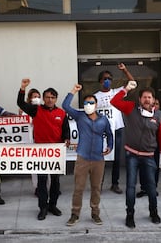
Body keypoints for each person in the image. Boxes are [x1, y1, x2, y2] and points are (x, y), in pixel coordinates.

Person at [110, 82, 161, 229]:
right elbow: (114, 101)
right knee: (130, 187)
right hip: (132, 156)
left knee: (151, 187)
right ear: (140, 99)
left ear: (154, 100)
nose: (147, 99)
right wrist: (126, 89)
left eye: (149, 97)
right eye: (144, 97)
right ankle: (130, 215)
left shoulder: (159, 116)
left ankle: (153, 212)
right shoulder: (131, 109)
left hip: (149, 156)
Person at [17, 79, 70, 220]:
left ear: (56, 99)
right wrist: (23, 88)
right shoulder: (36, 110)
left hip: (56, 152)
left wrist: (67, 139)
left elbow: (66, 130)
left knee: (55, 182)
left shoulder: (62, 113)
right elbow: (21, 104)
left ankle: (52, 205)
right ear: (43, 98)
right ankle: (43, 207)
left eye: (52, 97)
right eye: (47, 97)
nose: (50, 99)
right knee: (41, 181)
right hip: (41, 151)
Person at [62, 84, 113, 226]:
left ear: (96, 105)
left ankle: (95, 214)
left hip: (98, 159)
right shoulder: (79, 116)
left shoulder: (103, 120)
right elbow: (65, 105)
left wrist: (110, 146)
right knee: (79, 188)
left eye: (92, 102)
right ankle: (75, 214)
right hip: (82, 158)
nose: (89, 105)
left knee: (96, 188)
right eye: (86, 103)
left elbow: (109, 134)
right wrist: (73, 91)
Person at [94, 63, 134, 194]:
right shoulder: (96, 96)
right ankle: (98, 184)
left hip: (117, 129)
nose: (107, 81)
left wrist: (125, 70)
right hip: (102, 131)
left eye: (110, 78)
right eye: (105, 78)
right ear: (100, 81)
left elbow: (132, 83)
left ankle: (114, 184)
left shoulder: (117, 92)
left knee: (116, 157)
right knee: (101, 158)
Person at [18, 88, 42, 196]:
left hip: (42, 139)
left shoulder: (43, 109)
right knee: (34, 165)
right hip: (31, 140)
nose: (36, 98)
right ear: (29, 98)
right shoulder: (24, 110)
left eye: (38, 96)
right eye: (34, 96)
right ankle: (37, 187)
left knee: (46, 164)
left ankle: (49, 187)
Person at [136, 98, 161, 198]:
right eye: (153, 103)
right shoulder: (142, 115)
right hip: (143, 146)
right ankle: (144, 188)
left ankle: (153, 188)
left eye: (157, 104)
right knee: (142, 167)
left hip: (155, 146)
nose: (154, 105)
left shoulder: (160, 116)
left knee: (154, 167)